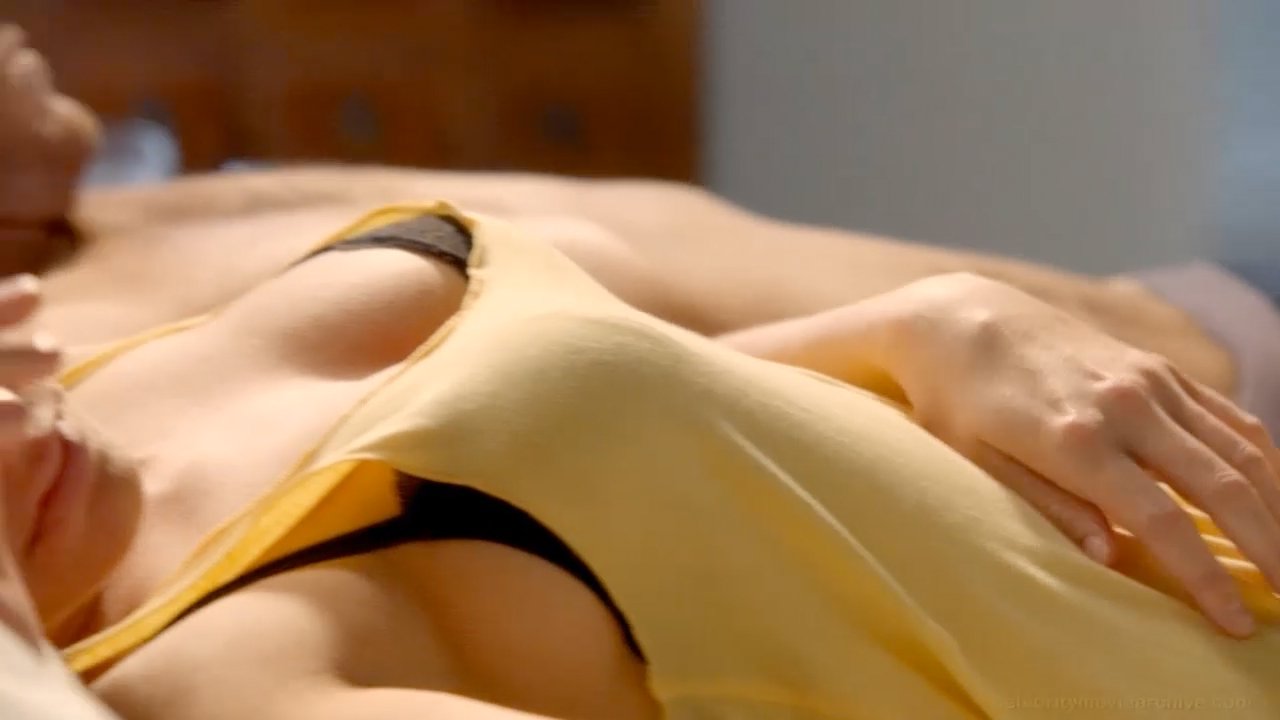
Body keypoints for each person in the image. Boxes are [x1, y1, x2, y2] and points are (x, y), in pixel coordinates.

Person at [0, 23, 1278, 719]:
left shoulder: (81, 372)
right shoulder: (209, 679)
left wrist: (918, 327)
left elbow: (617, 461)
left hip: (1192, 442)